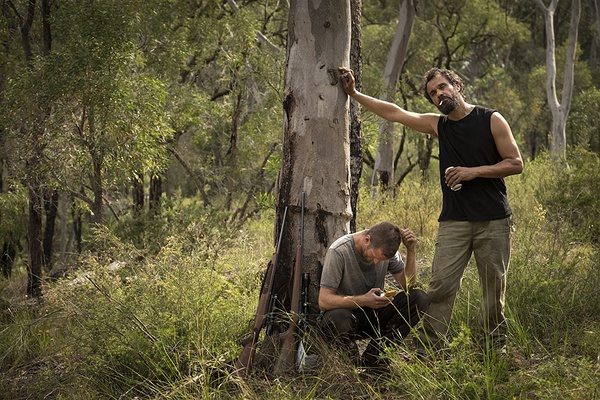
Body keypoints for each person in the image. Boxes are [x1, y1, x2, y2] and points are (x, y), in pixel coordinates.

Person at [337, 66, 523, 355]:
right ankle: (427, 350)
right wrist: (355, 93)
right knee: (440, 288)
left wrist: (472, 172)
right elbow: (395, 113)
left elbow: (515, 163)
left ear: (456, 85)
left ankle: (494, 349)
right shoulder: (439, 126)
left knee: (493, 289)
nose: (439, 94)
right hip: (454, 222)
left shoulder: (491, 119)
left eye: (442, 87)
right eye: (433, 93)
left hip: (493, 219)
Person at [318, 221, 430, 369]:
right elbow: (323, 301)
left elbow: (407, 286)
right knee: (339, 318)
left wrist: (411, 251)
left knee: (419, 298)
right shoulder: (339, 251)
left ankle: (375, 357)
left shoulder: (387, 251)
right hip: (345, 317)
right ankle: (350, 362)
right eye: (374, 256)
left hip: (372, 313)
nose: (376, 262)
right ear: (367, 239)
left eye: (381, 260)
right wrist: (363, 300)